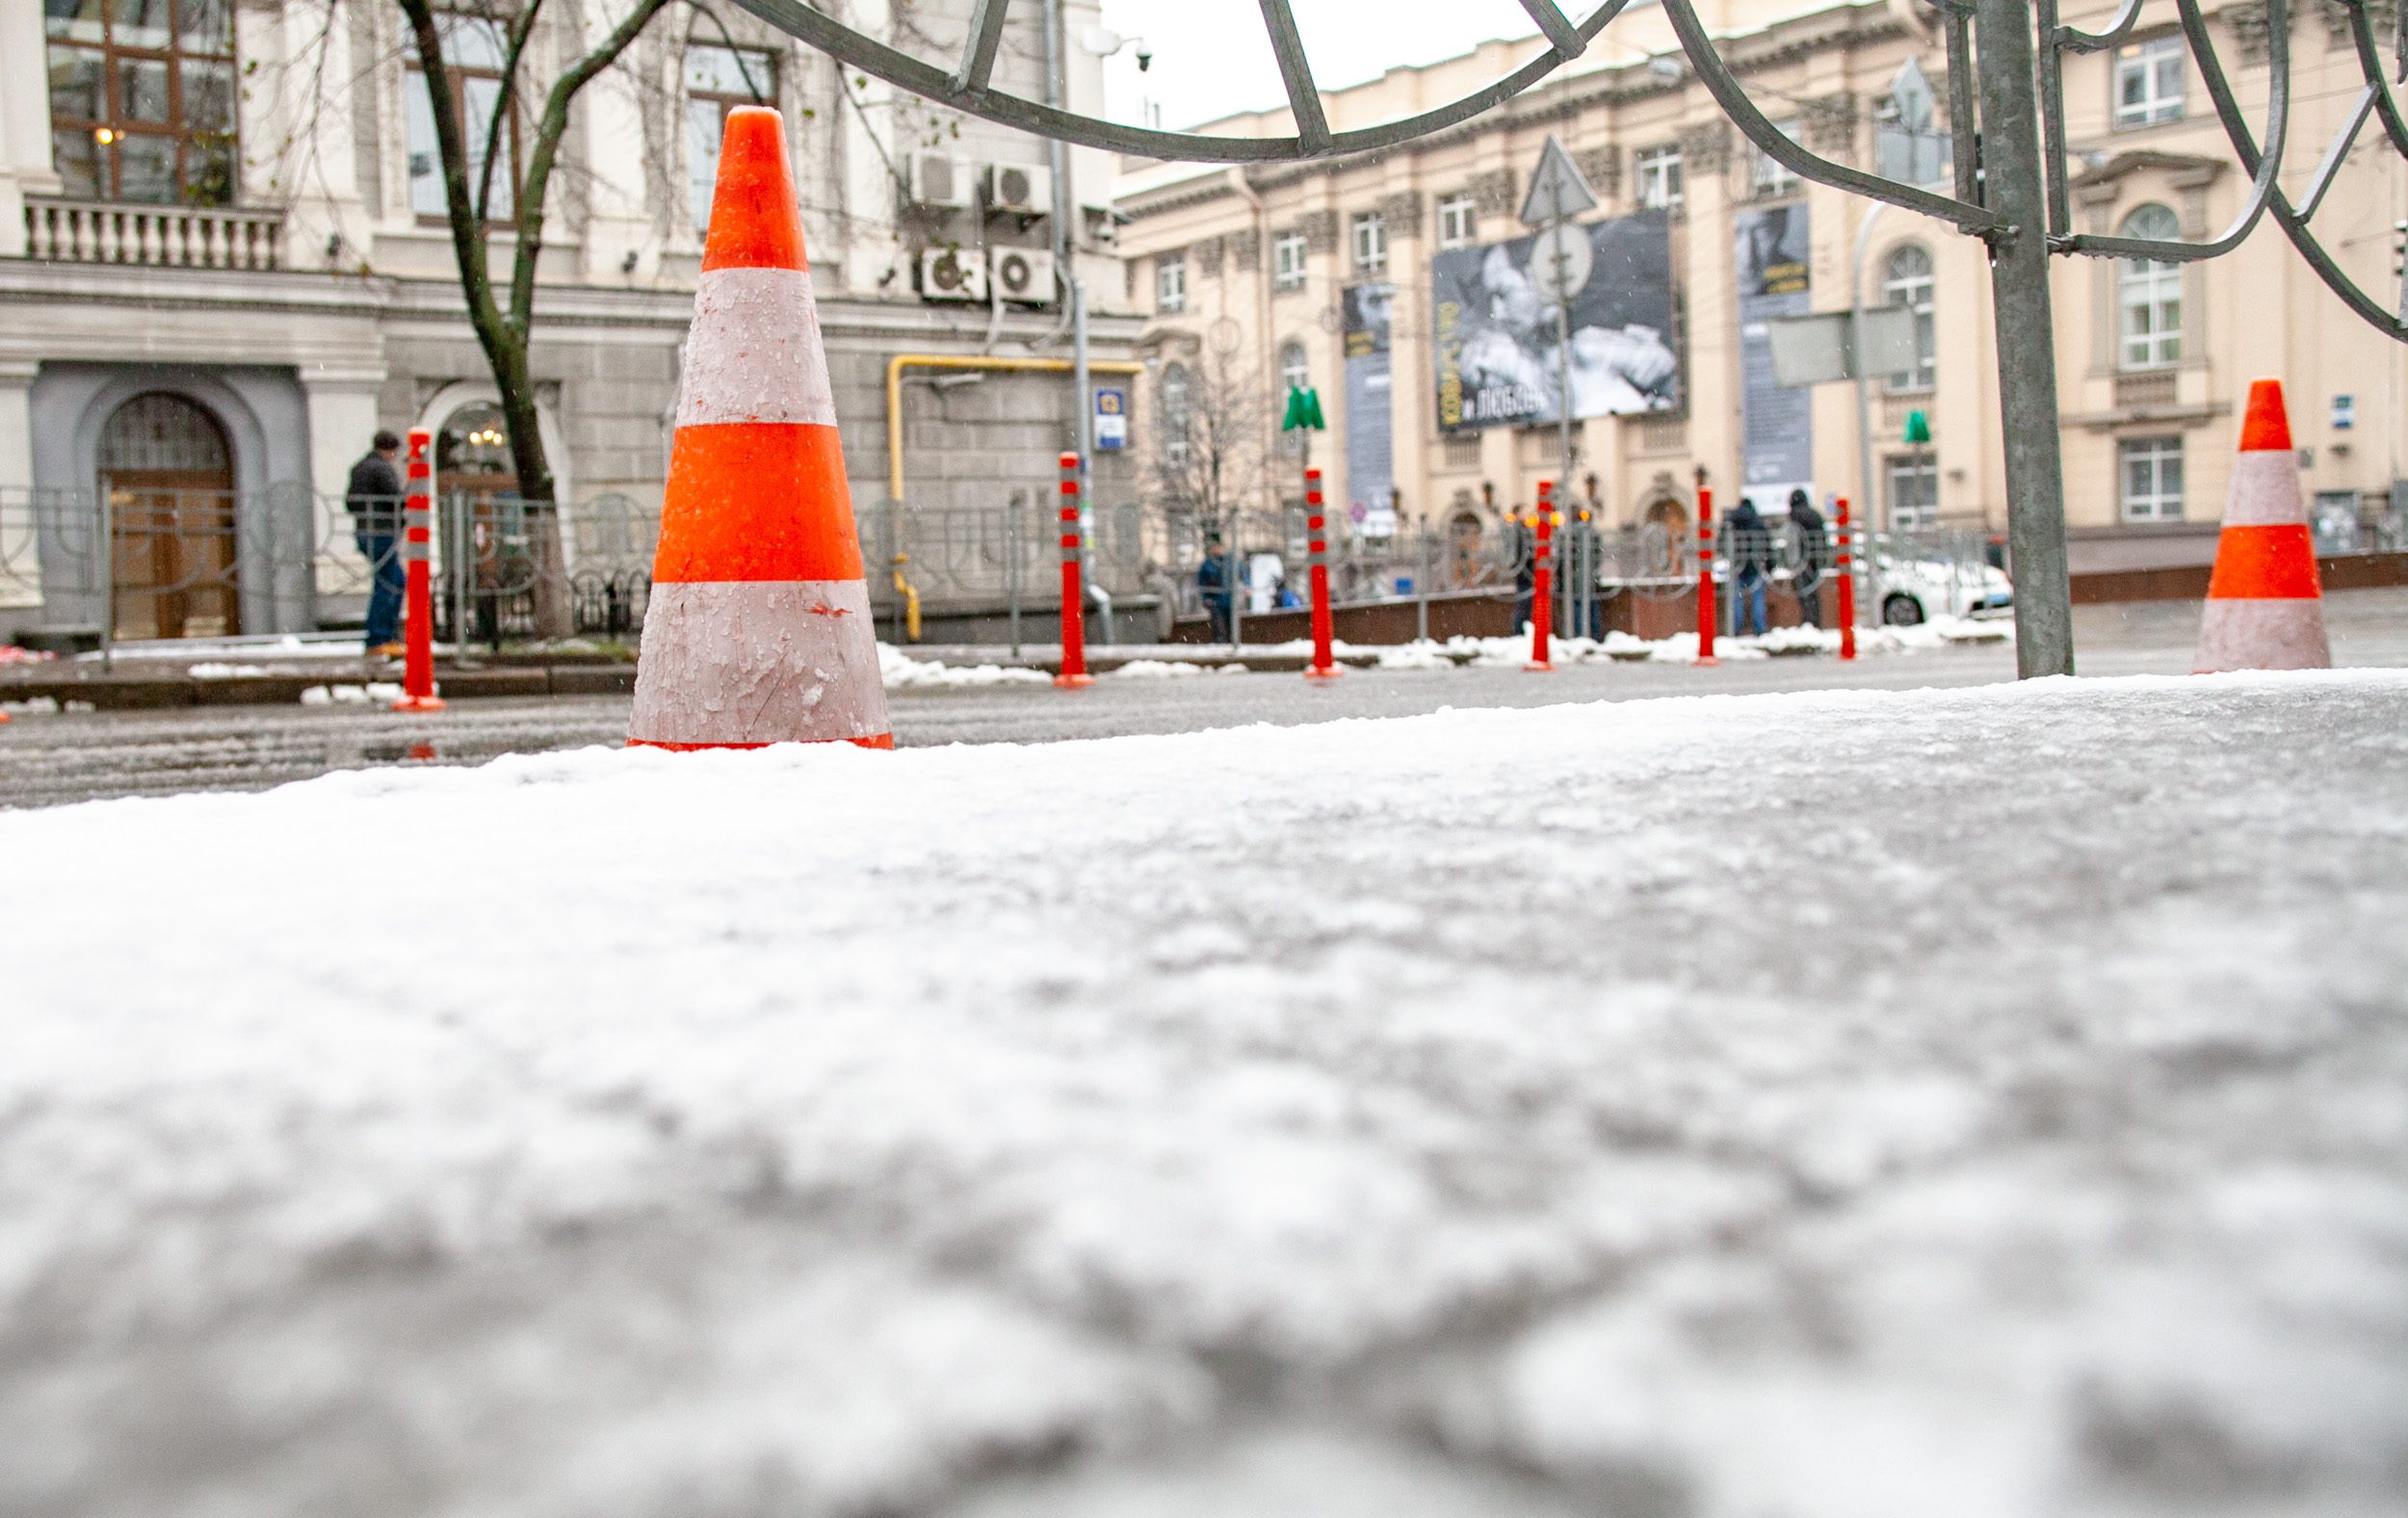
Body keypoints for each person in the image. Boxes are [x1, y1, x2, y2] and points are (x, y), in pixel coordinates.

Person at [345, 430, 406, 656]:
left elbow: (350, 503)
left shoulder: (360, 467)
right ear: (391, 450)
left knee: (394, 580)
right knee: (388, 584)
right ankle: (379, 638)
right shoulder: (381, 468)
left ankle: (382, 636)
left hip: (365, 532)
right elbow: (396, 501)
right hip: (381, 533)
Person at [1725, 495, 1771, 637]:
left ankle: (1736, 628)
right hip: (1755, 564)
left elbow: (1722, 542)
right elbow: (1767, 545)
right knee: (1758, 597)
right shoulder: (1757, 522)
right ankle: (1760, 628)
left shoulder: (1732, 520)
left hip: (1737, 563)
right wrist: (1770, 565)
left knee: (1736, 597)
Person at [1789, 488, 1827, 629]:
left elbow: (1794, 538)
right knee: (1813, 590)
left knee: (1804, 590)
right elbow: (1823, 537)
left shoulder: (1796, 515)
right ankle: (1816, 620)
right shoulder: (1815, 514)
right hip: (1816, 557)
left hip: (1802, 557)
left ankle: (1808, 620)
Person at [1197, 529, 1245, 643]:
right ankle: (1221, 645)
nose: (1215, 549)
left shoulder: (1232, 560)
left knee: (1232, 626)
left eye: (1217, 546)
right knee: (1218, 627)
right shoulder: (1208, 564)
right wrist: (1206, 599)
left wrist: (1246, 587)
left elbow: (1243, 574)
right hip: (1216, 601)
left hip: (1230, 599)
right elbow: (1202, 583)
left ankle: (1232, 643)